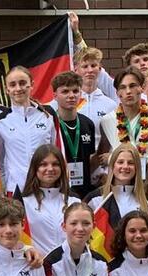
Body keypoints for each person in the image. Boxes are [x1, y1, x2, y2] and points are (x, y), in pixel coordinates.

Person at [0, 66, 58, 196]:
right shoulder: (0, 122)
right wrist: (4, 190)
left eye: (22, 83)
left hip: (46, 188)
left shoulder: (48, 115)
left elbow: (58, 152)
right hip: (15, 191)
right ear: (7, 89)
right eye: (13, 84)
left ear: (31, 85)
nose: (18, 88)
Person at [98, 69, 148, 175]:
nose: (128, 91)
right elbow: (100, 158)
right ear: (118, 93)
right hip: (119, 181)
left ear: (141, 88)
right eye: (123, 87)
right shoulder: (107, 120)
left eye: (132, 86)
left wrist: (111, 158)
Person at [19, 144, 76, 254]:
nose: (50, 169)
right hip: (37, 266)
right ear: (35, 168)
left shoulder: (74, 201)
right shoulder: (23, 203)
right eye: (43, 164)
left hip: (67, 266)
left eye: (55, 164)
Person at [51, 71, 98, 199]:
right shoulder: (50, 125)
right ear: (55, 95)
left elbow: (90, 158)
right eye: (65, 91)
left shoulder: (88, 123)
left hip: (85, 190)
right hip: (59, 190)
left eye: (75, 91)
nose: (71, 96)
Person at [87, 143, 148, 216]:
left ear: (137, 168)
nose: (125, 166)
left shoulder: (145, 202)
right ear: (112, 166)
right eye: (120, 162)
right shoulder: (96, 199)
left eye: (130, 163)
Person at [72, 47, 118, 129]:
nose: (90, 70)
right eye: (85, 66)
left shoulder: (111, 105)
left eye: (93, 66)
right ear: (76, 69)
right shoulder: (68, 102)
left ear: (100, 68)